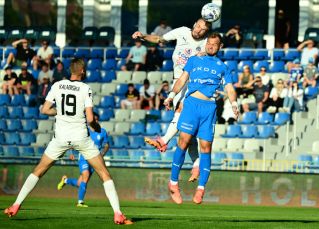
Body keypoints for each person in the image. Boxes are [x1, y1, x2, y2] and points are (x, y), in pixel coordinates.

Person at [3, 58, 132, 225]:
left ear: (70, 70)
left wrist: (60, 113)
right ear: (83, 71)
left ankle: (15, 205)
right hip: (81, 138)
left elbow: (44, 109)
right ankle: (118, 214)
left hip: (60, 138)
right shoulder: (85, 88)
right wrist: (97, 127)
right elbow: (91, 119)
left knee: (38, 171)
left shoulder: (57, 85)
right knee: (104, 174)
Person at [163, 33, 238, 204]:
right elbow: (182, 79)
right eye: (209, 43)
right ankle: (173, 183)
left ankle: (201, 188)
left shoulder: (223, 67)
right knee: (183, 142)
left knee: (206, 148)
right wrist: (171, 96)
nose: (211, 46)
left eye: (214, 44)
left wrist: (234, 104)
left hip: (209, 108)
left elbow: (230, 88)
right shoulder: (193, 60)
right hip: (191, 105)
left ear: (220, 46)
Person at [133, 18, 211, 181]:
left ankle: (163, 140)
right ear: (194, 24)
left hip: (195, 84)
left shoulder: (206, 43)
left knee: (182, 111)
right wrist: (143, 36)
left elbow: (217, 48)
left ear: (206, 32)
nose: (199, 30)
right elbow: (159, 39)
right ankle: (196, 164)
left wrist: (207, 52)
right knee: (186, 132)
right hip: (178, 81)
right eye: (198, 26)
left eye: (203, 29)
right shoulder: (182, 31)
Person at [57, 112, 110, 207]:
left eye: (96, 119)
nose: (95, 121)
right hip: (84, 157)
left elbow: (106, 145)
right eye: (93, 120)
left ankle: (65, 180)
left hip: (95, 159)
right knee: (86, 175)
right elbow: (73, 142)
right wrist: (71, 153)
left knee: (80, 183)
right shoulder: (84, 131)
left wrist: (102, 154)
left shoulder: (103, 131)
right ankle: (80, 202)